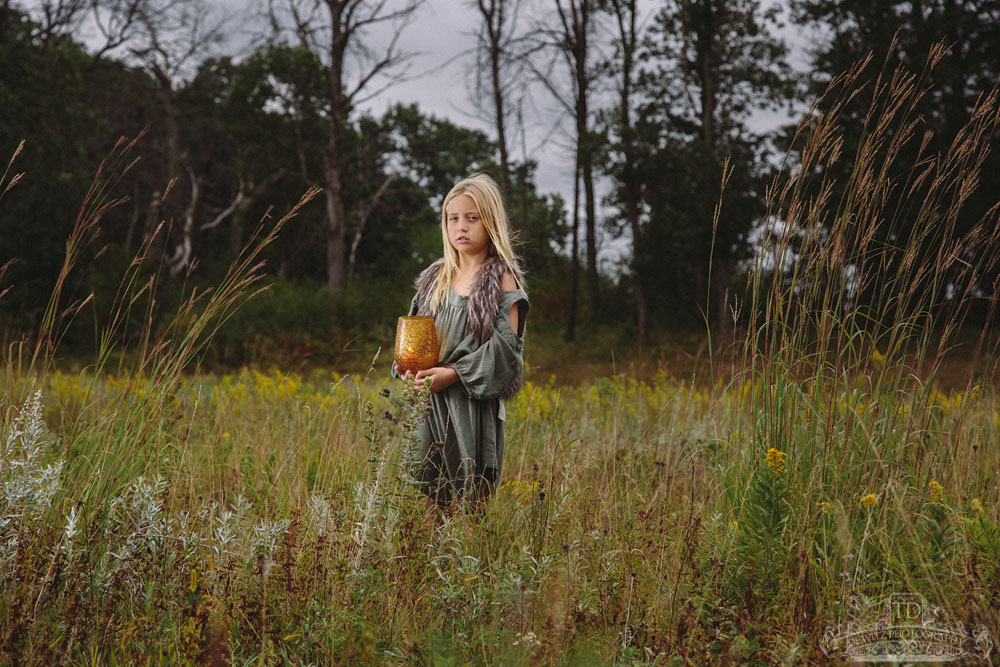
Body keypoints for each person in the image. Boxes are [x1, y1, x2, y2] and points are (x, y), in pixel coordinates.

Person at [394, 174, 529, 516]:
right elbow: (413, 335)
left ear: (491, 221)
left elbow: (506, 352)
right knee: (430, 496)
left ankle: (471, 567)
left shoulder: (500, 278)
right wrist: (405, 367)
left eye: (472, 217)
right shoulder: (434, 278)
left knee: (470, 501)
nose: (461, 226)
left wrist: (454, 374)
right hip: (430, 404)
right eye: (453, 218)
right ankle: (430, 567)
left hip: (471, 403)